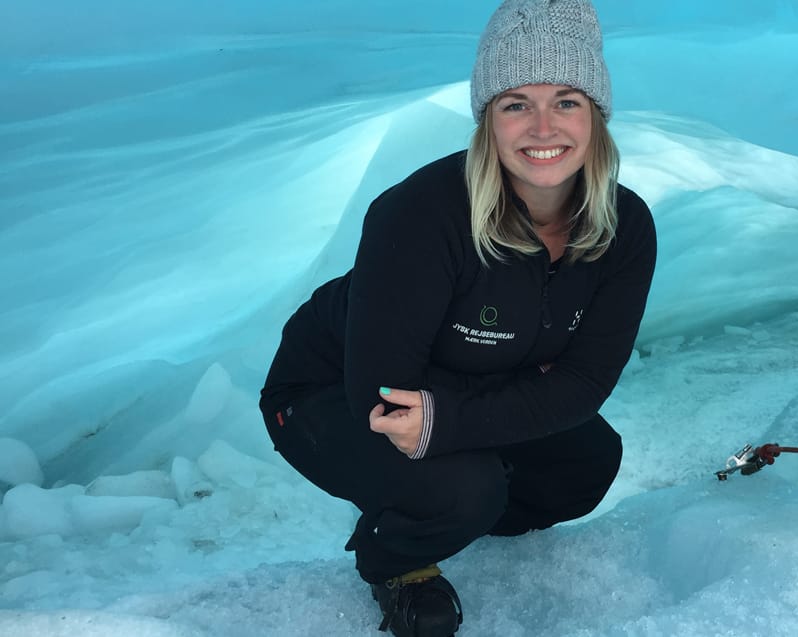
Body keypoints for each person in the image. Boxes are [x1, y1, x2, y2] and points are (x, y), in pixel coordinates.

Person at [258, 1, 656, 635]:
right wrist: (530, 394)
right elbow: (384, 398)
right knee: (460, 490)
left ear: (597, 116)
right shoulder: (422, 215)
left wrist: (456, 418)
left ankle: (445, 505)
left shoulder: (624, 225)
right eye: (516, 103)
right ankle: (394, 557)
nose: (543, 126)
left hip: (455, 389)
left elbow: (586, 386)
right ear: (488, 120)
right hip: (328, 394)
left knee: (586, 465)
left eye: (567, 101)